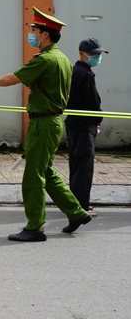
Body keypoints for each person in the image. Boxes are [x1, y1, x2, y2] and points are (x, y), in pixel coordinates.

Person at [0, 6, 91, 241]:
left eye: (35, 30)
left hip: (43, 123)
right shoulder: (63, 60)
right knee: (45, 171)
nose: (32, 34)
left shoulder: (45, 59)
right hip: (53, 122)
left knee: (33, 175)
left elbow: (14, 78)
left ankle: (35, 227)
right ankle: (76, 212)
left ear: (45, 34)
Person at [65, 38, 108, 218]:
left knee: (76, 164)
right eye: (94, 54)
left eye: (99, 54)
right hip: (84, 125)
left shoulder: (73, 71)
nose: (97, 57)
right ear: (82, 54)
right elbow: (92, 102)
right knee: (84, 167)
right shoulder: (86, 74)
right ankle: (81, 207)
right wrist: (98, 119)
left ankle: (73, 203)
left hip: (73, 123)